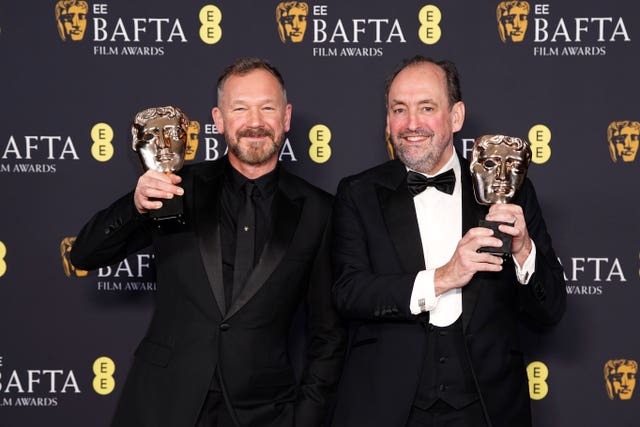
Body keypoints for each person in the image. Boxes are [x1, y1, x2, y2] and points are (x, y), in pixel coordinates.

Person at [71, 58, 345, 427]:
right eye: (240, 108)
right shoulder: (174, 187)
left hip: (265, 411)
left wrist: (305, 416)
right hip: (161, 403)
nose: (255, 122)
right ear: (218, 119)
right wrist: (135, 205)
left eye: (267, 107)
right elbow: (86, 252)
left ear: (287, 117)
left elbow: (328, 335)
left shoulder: (319, 211)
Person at [330, 56, 566, 427]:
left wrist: (523, 252)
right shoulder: (357, 193)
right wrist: (442, 277)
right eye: (398, 109)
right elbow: (349, 293)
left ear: (456, 117)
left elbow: (550, 310)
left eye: (427, 108)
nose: (411, 124)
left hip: (487, 409)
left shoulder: (511, 191)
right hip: (388, 407)